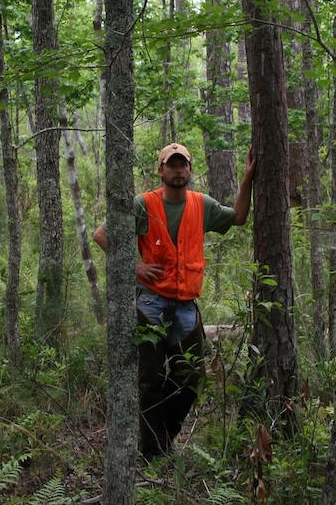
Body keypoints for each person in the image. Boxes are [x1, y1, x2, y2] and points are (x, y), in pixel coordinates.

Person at [93, 142, 255, 459]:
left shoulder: (201, 204)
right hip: (150, 305)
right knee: (149, 381)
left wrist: (247, 177)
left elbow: (238, 218)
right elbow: (102, 235)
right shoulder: (143, 204)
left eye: (183, 164)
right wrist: (133, 266)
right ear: (161, 170)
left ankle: (161, 434)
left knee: (192, 378)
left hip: (185, 308)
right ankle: (154, 453)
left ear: (190, 170)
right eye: (172, 164)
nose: (178, 170)